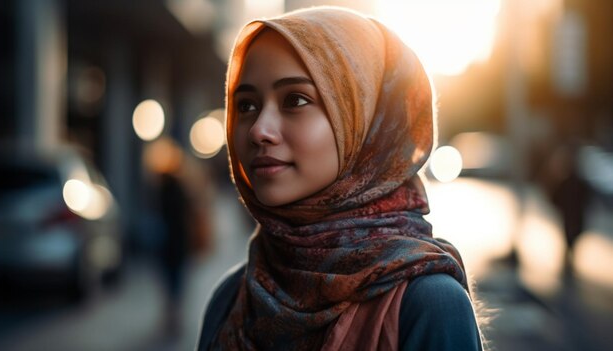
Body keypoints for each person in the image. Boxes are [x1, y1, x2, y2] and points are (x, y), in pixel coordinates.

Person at [197, 6, 483, 350]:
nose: (259, 130)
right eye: (246, 106)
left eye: (295, 99)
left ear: (364, 123)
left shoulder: (428, 305)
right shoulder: (231, 297)